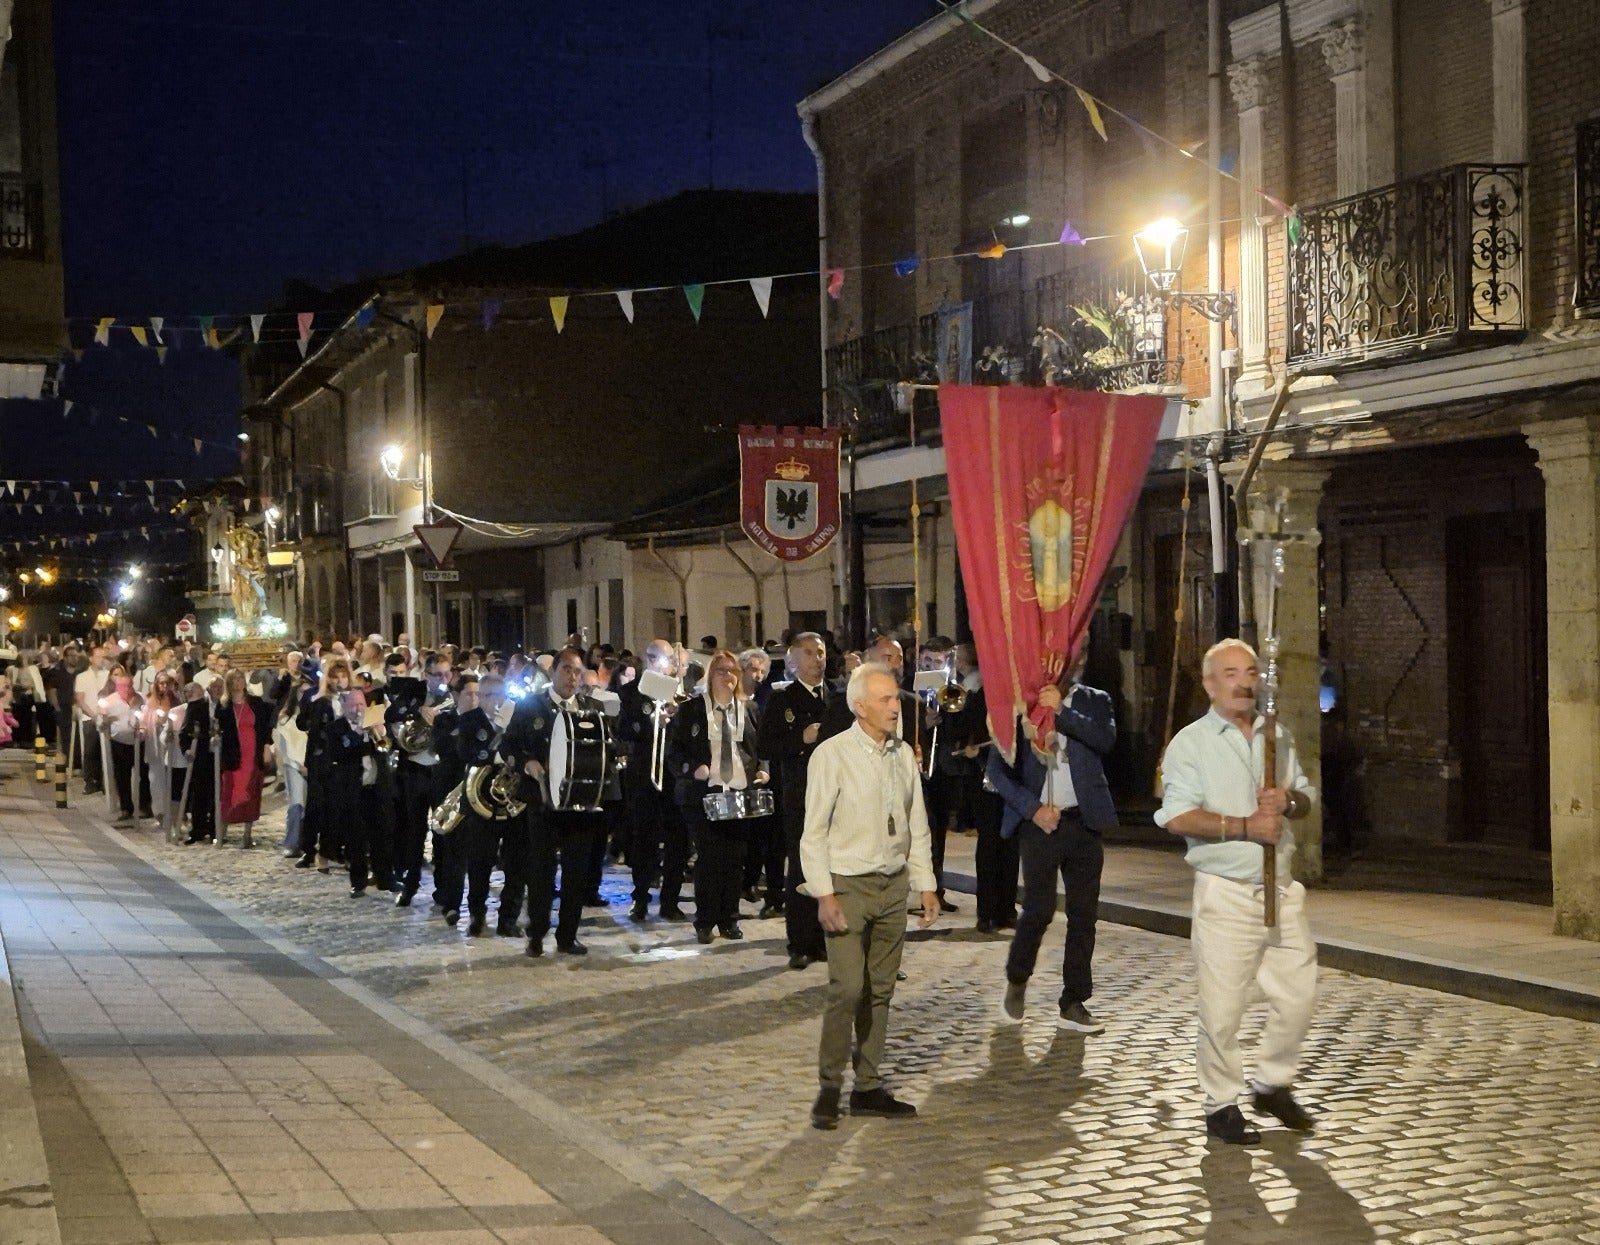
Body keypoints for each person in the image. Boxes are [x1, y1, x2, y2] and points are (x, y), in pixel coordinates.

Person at [1155, 638, 1318, 1146]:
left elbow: (1307, 797)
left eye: (1249, 672)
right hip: (1226, 891)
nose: (1243, 682)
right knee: (1222, 1010)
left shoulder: (1277, 736)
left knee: (1298, 994)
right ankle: (1221, 1104)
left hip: (1281, 888)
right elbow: (1176, 815)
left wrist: (1287, 800)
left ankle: (1271, 1082)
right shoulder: (1191, 743)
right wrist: (1245, 827)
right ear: (1209, 684)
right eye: (1230, 674)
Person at [800, 661, 939, 1130]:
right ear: (859, 707)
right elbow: (812, 833)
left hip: (892, 885)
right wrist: (824, 893)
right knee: (846, 988)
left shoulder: (903, 756)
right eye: (884, 699)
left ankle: (868, 1087)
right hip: (848, 885)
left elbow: (915, 821)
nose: (895, 707)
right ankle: (829, 1085)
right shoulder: (832, 755)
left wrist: (927, 883)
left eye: (895, 698)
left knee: (880, 991)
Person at [986, 650, 1116, 1034]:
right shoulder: (1018, 705)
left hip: (1084, 821)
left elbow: (1104, 740)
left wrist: (1061, 711)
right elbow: (998, 770)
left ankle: (1073, 1001)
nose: (1074, 660)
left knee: (1084, 916)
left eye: (1081, 651)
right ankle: (1017, 980)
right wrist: (1032, 809)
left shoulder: (1096, 700)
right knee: (1038, 910)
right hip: (1040, 824)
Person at [505, 648, 613, 956]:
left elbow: (607, 745)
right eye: (566, 670)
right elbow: (509, 744)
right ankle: (537, 933)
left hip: (580, 803)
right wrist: (528, 763)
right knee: (541, 871)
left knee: (576, 872)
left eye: (578, 672)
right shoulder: (532, 706)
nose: (572, 677)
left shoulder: (591, 707)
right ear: (554, 673)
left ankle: (568, 935)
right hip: (543, 801)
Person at [668, 649, 768, 944]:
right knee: (710, 856)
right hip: (704, 792)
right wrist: (692, 769)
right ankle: (705, 919)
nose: (728, 676)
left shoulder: (748, 709)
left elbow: (758, 747)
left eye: (732, 671)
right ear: (711, 675)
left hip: (738, 790)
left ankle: (729, 918)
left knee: (735, 857)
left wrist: (762, 770)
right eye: (721, 671)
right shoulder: (693, 710)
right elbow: (675, 752)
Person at [757, 632, 834, 970]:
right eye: (809, 653)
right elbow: (766, 747)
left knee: (831, 871)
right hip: (801, 795)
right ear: (793, 660)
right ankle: (800, 942)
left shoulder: (835, 698)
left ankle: (824, 939)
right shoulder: (782, 700)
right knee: (802, 870)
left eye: (821, 652)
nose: (817, 659)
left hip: (835, 796)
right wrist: (800, 739)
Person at [614, 639, 691, 922]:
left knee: (678, 840)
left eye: (669, 659)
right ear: (647, 659)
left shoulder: (680, 694)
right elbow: (623, 729)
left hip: (674, 776)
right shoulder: (630, 693)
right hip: (644, 775)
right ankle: (641, 899)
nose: (664, 664)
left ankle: (670, 900)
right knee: (644, 839)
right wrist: (650, 725)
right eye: (657, 658)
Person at [219, 669, 274, 845]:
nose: (238, 682)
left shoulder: (256, 703)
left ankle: (247, 834)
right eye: (234, 679)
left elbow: (265, 727)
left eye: (240, 678)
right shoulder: (223, 705)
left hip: (253, 750)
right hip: (232, 753)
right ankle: (223, 831)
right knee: (229, 790)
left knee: (252, 789)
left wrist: (266, 747)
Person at [101, 667, 149, 823]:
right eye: (122, 686)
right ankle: (126, 808)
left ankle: (144, 805)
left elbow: (145, 717)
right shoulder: (110, 701)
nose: (126, 689)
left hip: (139, 741)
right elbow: (101, 722)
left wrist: (142, 728)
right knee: (122, 776)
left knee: (143, 774)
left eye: (129, 686)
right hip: (119, 743)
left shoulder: (141, 698)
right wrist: (104, 721)